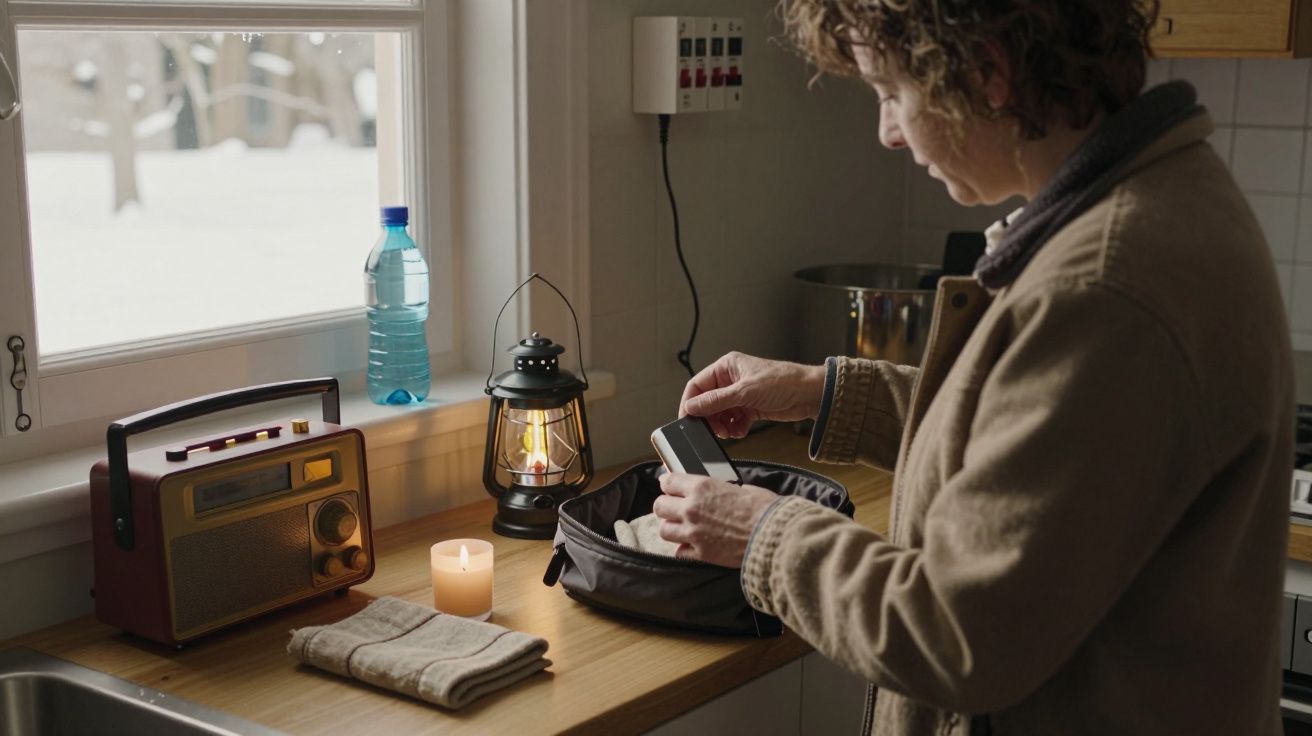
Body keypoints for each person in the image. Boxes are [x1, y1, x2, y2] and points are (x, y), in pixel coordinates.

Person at [650, 1, 1294, 734]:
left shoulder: (1106, 287)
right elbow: (1039, 442)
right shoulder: (1154, 202)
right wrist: (824, 393)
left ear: (988, 72)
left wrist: (764, 534)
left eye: (893, 94)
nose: (887, 132)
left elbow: (956, 635)